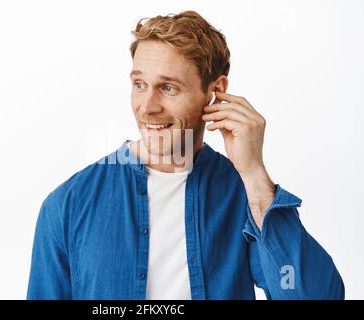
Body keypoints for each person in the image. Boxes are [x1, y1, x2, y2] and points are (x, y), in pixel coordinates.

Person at [27, 10, 344, 300]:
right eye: (139, 84)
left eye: (168, 88)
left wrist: (254, 175)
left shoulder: (242, 194)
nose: (147, 107)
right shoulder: (69, 205)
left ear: (215, 91)